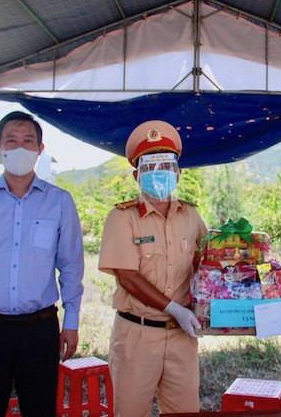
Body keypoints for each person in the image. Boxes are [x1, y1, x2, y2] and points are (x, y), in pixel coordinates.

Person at [0, 111, 85, 416]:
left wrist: (72, 321)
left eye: (28, 141)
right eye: (12, 140)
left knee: (40, 410)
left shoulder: (59, 201)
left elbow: (72, 266)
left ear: (39, 149)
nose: (20, 148)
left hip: (39, 329)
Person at [98, 120, 208, 417]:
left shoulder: (192, 216)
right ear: (136, 175)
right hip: (138, 335)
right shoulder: (122, 218)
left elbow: (205, 266)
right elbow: (128, 277)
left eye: (166, 166)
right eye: (149, 167)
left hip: (182, 336)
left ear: (178, 172)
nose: (159, 173)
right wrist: (175, 308)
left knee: (185, 412)